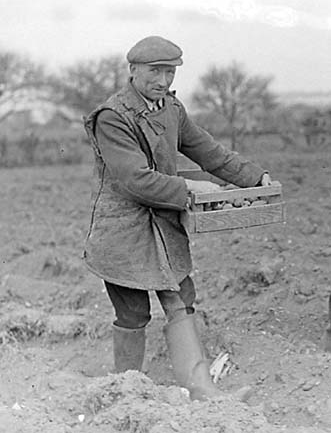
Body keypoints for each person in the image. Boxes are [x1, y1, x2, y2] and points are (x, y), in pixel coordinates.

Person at [83, 36, 271, 401]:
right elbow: (135, 179)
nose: (163, 80)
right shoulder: (112, 117)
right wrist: (191, 187)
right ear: (132, 70)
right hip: (122, 229)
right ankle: (126, 394)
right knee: (133, 311)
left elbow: (207, 150)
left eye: (170, 72)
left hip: (163, 225)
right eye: (155, 71)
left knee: (180, 298)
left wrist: (253, 177)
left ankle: (202, 390)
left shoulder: (170, 108)